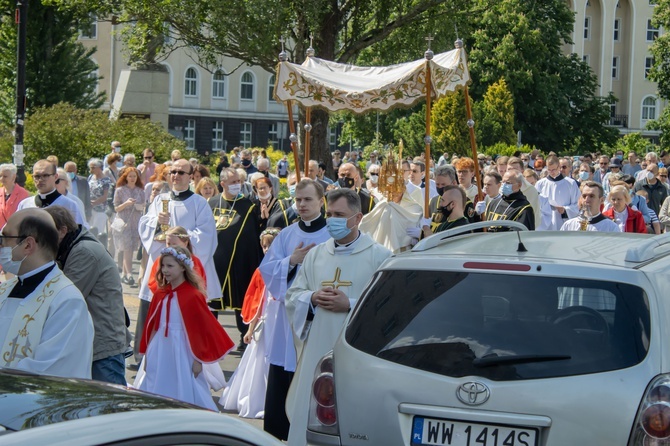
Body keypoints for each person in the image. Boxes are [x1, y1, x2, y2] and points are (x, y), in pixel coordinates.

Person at [285, 188, 391, 446]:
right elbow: (293, 295)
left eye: (339, 215)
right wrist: (311, 298)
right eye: (330, 213)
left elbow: (388, 308)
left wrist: (351, 304)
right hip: (318, 347)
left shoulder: (381, 257)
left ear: (357, 218)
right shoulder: (316, 254)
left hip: (357, 352)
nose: (332, 220)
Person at [259, 179, 330, 440]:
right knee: (283, 369)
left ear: (321, 201)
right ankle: (279, 431)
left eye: (308, 199)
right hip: (285, 319)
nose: (301, 205)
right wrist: (292, 261)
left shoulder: (331, 235)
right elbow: (266, 271)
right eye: (298, 200)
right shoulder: (287, 235)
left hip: (317, 316)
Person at [136, 159, 220, 365]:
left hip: (186, 271)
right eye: (172, 172)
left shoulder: (199, 203)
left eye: (181, 172)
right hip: (160, 267)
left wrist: (179, 239)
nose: (176, 175)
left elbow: (207, 236)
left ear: (191, 177)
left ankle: (191, 357)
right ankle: (147, 356)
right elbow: (145, 225)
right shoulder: (160, 200)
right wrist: (157, 223)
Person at [134, 246, 233, 410]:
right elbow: (153, 326)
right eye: (163, 266)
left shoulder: (193, 295)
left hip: (183, 349)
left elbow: (202, 329)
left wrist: (198, 361)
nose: (165, 270)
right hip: (160, 347)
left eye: (170, 266)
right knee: (156, 381)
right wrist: (147, 355)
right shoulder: (160, 293)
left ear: (183, 267)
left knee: (184, 383)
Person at [0, 208, 94, 378]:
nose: (1, 245)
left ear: (28, 245)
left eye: (5, 238)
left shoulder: (67, 302)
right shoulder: (4, 289)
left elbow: (51, 373)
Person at [45, 206, 128, 385]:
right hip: (95, 344)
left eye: (45, 232)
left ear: (62, 231)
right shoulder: (71, 247)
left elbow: (62, 299)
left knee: (110, 408)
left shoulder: (83, 251)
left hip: (103, 348)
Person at [220, 227, 281, 418]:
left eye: (271, 245)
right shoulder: (261, 271)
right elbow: (257, 302)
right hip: (265, 324)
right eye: (264, 246)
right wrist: (250, 329)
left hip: (280, 324)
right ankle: (256, 399)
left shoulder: (289, 268)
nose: (266, 249)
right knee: (259, 361)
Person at [209, 167, 262, 349]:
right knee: (212, 302)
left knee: (241, 301)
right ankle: (210, 338)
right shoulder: (212, 203)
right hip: (216, 262)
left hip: (240, 262)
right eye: (232, 182)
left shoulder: (249, 206)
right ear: (222, 183)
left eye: (238, 181)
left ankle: (244, 337)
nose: (236, 185)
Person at [18, 160, 85, 226]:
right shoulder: (24, 204)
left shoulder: (69, 205)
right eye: (37, 176)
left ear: (55, 177)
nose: (40, 180)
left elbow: (79, 232)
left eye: (45, 175)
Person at [113, 167, 146, 286]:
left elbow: (144, 206)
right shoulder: (120, 190)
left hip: (136, 222)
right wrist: (126, 203)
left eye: (134, 176)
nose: (132, 178)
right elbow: (116, 208)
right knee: (127, 248)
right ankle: (129, 274)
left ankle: (125, 273)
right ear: (125, 177)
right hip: (124, 222)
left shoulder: (140, 191)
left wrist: (139, 206)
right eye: (130, 176)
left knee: (131, 248)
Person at [535, 155, 580, 231]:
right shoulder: (540, 184)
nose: (552, 172)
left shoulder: (570, 183)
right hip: (546, 225)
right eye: (549, 170)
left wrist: (565, 210)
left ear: (559, 167)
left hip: (563, 223)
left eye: (554, 169)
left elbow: (577, 204)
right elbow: (536, 204)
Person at [87, 158, 112, 238]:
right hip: (90, 209)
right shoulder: (90, 177)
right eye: (90, 167)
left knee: (98, 231)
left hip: (101, 209)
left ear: (99, 167)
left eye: (93, 167)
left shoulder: (106, 180)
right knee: (90, 230)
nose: (91, 170)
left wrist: (94, 203)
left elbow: (105, 196)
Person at [0, 163, 30, 228]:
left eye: (5, 176)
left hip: (15, 232)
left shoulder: (23, 193)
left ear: (13, 177)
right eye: (0, 176)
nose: (1, 179)